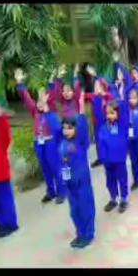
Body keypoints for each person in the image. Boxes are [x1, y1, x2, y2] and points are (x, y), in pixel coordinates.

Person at [15, 68, 66, 204]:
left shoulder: (52, 112)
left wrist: (55, 79)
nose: (40, 101)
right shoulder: (35, 111)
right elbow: (26, 97)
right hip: (39, 143)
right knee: (45, 168)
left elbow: (55, 93)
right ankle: (51, 191)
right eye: (39, 99)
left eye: (44, 97)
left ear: (48, 100)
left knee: (55, 167)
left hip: (50, 143)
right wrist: (20, 83)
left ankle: (62, 192)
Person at [60, 104, 96, 249]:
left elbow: (83, 128)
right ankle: (80, 233)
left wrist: (80, 113)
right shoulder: (63, 142)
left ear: (76, 128)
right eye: (64, 128)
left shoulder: (81, 142)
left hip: (82, 182)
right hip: (69, 183)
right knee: (74, 211)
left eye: (70, 128)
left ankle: (88, 235)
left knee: (85, 208)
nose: (66, 131)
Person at [99, 99, 130, 213]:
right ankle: (113, 198)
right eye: (107, 113)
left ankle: (124, 199)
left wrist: (115, 102)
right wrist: (103, 158)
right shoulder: (103, 127)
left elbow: (124, 107)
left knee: (122, 179)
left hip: (119, 159)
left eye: (112, 113)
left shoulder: (122, 124)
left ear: (118, 113)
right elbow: (101, 144)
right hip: (108, 160)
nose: (109, 116)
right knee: (110, 181)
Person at [0, 98, 19, 238]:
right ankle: (1, 223)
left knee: (4, 199)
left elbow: (4, 128)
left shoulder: (0, 140)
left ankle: (10, 224)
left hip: (0, 173)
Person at [84, 66, 114, 168]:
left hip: (106, 123)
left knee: (107, 140)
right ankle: (101, 158)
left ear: (102, 87)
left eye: (98, 86)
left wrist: (96, 76)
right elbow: (83, 95)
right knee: (98, 141)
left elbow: (109, 91)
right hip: (97, 123)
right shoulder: (93, 96)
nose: (96, 88)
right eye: (95, 86)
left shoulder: (107, 96)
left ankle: (109, 157)